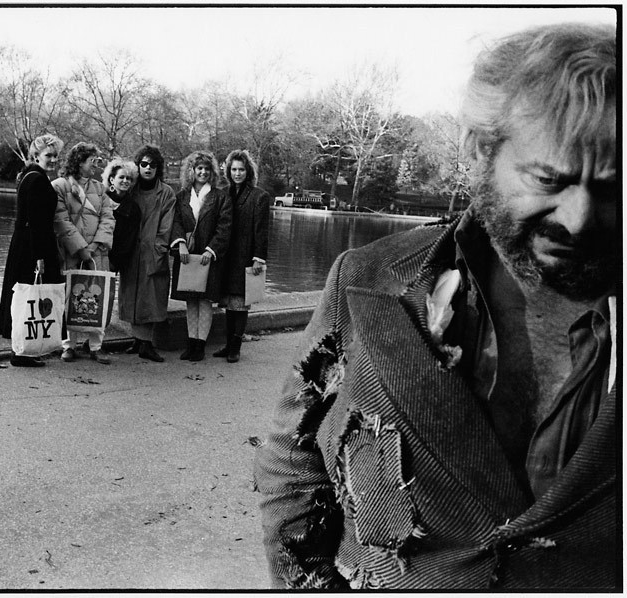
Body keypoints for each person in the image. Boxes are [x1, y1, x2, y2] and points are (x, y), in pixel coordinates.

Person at [253, 22, 618, 590]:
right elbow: (292, 459)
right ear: (479, 149)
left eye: (614, 186)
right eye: (548, 179)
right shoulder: (368, 281)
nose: (579, 218)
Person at [0, 134, 65, 367]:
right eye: (49, 155)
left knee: (24, 297)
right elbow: (35, 221)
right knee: (28, 295)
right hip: (31, 245)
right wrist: (39, 257)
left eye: (56, 155)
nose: (53, 159)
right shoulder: (36, 180)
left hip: (25, 243)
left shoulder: (30, 176)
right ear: (37, 155)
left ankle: (21, 348)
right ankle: (22, 351)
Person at [52, 143, 115, 364]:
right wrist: (80, 248)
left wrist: (95, 245)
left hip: (96, 252)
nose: (97, 165)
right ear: (80, 162)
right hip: (72, 253)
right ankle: (69, 345)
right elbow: (60, 219)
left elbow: (108, 218)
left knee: (96, 296)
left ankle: (96, 345)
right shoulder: (60, 187)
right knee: (71, 296)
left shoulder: (100, 188)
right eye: (93, 161)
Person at [169, 150, 232, 361]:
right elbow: (176, 222)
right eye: (199, 169)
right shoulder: (181, 196)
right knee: (190, 300)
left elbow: (225, 227)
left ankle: (200, 346)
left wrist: (211, 249)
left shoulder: (220, 196)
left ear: (211, 172)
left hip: (208, 256)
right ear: (192, 171)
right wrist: (180, 246)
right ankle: (190, 343)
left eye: (206, 169)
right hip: (187, 255)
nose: (203, 172)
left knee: (204, 301)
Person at [118, 145, 177, 362]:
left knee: (152, 296)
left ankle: (147, 343)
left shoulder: (166, 193)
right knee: (131, 294)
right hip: (131, 251)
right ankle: (137, 340)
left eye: (152, 165)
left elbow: (167, 225)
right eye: (143, 164)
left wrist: (160, 248)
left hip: (153, 251)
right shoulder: (130, 189)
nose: (148, 168)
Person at [215, 149, 270, 363]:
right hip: (226, 257)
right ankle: (228, 344)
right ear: (229, 171)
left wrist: (259, 258)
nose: (237, 173)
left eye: (241, 170)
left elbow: (262, 231)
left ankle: (235, 347)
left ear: (248, 171)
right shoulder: (224, 193)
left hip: (245, 256)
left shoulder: (259, 196)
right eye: (234, 170)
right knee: (229, 303)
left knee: (241, 303)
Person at [102, 157, 141, 274]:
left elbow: (129, 241)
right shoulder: (100, 198)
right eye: (121, 177)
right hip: (95, 253)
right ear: (112, 179)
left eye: (129, 178)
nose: (125, 181)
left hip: (115, 261)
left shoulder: (133, 208)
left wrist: (114, 262)